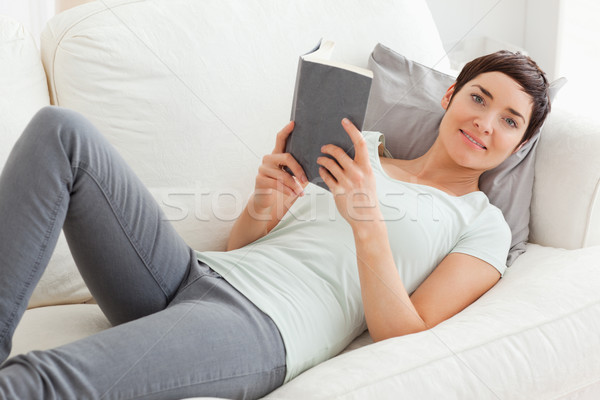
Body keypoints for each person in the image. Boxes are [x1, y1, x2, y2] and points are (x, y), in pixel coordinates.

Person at [0, 50, 550, 399]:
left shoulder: (483, 226)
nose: (484, 121)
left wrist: (368, 225)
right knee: (61, 130)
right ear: (450, 96)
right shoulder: (362, 148)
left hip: (259, 325)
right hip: (190, 274)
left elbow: (404, 334)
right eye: (478, 97)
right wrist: (269, 198)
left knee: (39, 381)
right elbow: (246, 245)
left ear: (520, 144)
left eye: (509, 120)